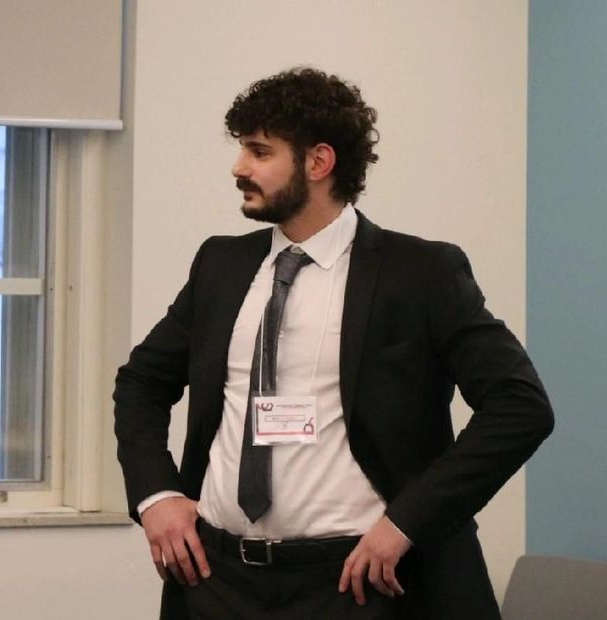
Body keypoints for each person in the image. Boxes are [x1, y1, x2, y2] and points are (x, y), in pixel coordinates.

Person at [114, 67, 553, 619]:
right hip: (217, 581)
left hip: (357, 585)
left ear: (319, 162)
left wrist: (406, 523)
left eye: (259, 151)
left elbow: (520, 407)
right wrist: (156, 495)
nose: (239, 167)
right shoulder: (220, 265)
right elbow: (141, 383)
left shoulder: (420, 273)